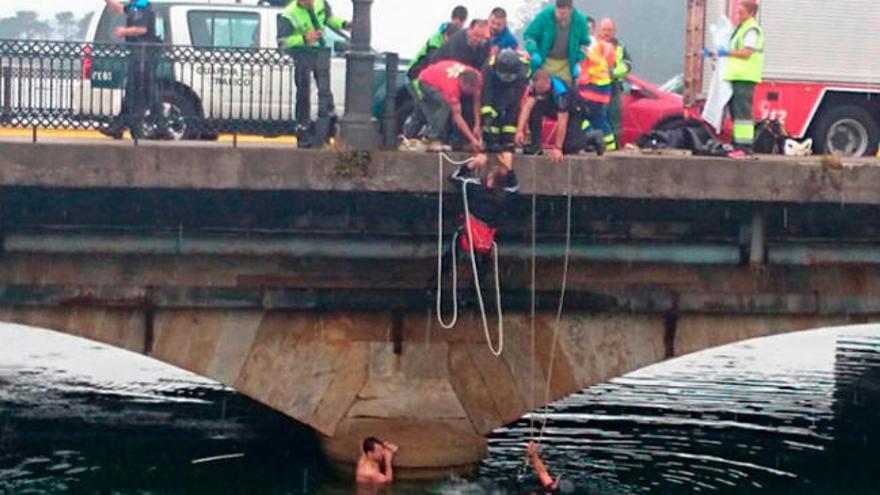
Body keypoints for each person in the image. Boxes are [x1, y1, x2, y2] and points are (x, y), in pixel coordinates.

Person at [277, 0, 350, 148]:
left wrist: (344, 24)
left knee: (325, 92)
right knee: (303, 93)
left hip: (320, 53)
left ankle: (329, 127)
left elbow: (328, 19)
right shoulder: (289, 14)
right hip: (302, 54)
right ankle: (303, 133)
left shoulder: (321, 3)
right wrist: (304, 38)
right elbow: (282, 42)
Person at [101, 0, 164, 140]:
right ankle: (120, 126)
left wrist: (124, 31)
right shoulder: (134, 6)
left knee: (144, 91)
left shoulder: (142, 6)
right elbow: (119, 8)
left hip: (143, 54)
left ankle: (159, 126)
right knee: (138, 91)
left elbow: (142, 29)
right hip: (140, 54)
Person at [706, 0, 763, 153]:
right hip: (738, 76)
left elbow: (746, 52)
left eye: (741, 12)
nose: (737, 16)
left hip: (745, 77)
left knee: (743, 113)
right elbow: (735, 50)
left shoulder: (751, 30)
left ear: (751, 13)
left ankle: (745, 146)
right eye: (737, 12)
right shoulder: (742, 28)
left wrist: (726, 53)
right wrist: (715, 54)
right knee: (737, 112)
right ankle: (738, 143)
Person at [448, 159, 519, 281]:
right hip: (483, 234)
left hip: (470, 231)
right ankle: (471, 294)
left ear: (490, 177)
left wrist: (472, 164)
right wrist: (509, 169)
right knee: (483, 265)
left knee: (452, 255)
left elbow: (454, 177)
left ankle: (435, 285)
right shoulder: (504, 194)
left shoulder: (475, 185)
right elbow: (515, 188)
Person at [516, 69, 605, 162]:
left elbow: (562, 120)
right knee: (535, 107)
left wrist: (558, 148)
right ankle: (536, 145)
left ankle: (591, 137)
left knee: (569, 147)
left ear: (548, 82)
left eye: (541, 89)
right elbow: (527, 107)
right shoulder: (536, 88)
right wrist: (519, 131)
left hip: (573, 112)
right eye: (537, 89)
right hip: (553, 107)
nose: (538, 92)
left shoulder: (560, 91)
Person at [412, 60, 483, 151]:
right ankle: (432, 138)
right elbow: (457, 117)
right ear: (464, 84)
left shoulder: (477, 76)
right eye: (471, 91)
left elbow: (476, 100)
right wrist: (472, 139)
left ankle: (443, 137)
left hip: (440, 73)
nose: (472, 93)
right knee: (445, 105)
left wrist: (477, 125)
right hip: (425, 80)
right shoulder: (452, 89)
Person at [523, 0, 590, 85]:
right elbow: (529, 36)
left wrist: (578, 61)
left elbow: (585, 44)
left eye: (564, 14)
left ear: (571, 10)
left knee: (564, 93)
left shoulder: (580, 21)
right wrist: (534, 52)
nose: (560, 16)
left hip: (566, 65)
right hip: (544, 62)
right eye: (558, 13)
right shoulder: (544, 15)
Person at [480, 48, 530, 156]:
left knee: (513, 112)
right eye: (505, 75)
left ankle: (508, 140)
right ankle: (490, 139)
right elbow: (486, 92)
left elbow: (517, 98)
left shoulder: (522, 71)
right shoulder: (488, 68)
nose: (506, 78)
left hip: (513, 89)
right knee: (491, 112)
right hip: (494, 88)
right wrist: (487, 113)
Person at [577, 28, 618, 152]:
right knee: (599, 119)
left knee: (578, 117)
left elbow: (579, 68)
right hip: (603, 89)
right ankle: (610, 146)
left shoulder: (582, 46)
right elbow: (610, 62)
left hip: (590, 88)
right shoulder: (599, 44)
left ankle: (594, 140)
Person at [599, 18, 633, 145]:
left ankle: (615, 144)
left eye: (609, 30)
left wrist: (614, 72)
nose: (606, 33)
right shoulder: (594, 46)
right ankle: (599, 143)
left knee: (615, 117)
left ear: (614, 31)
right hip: (598, 85)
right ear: (599, 30)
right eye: (604, 30)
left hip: (614, 85)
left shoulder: (620, 47)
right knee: (600, 116)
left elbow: (628, 64)